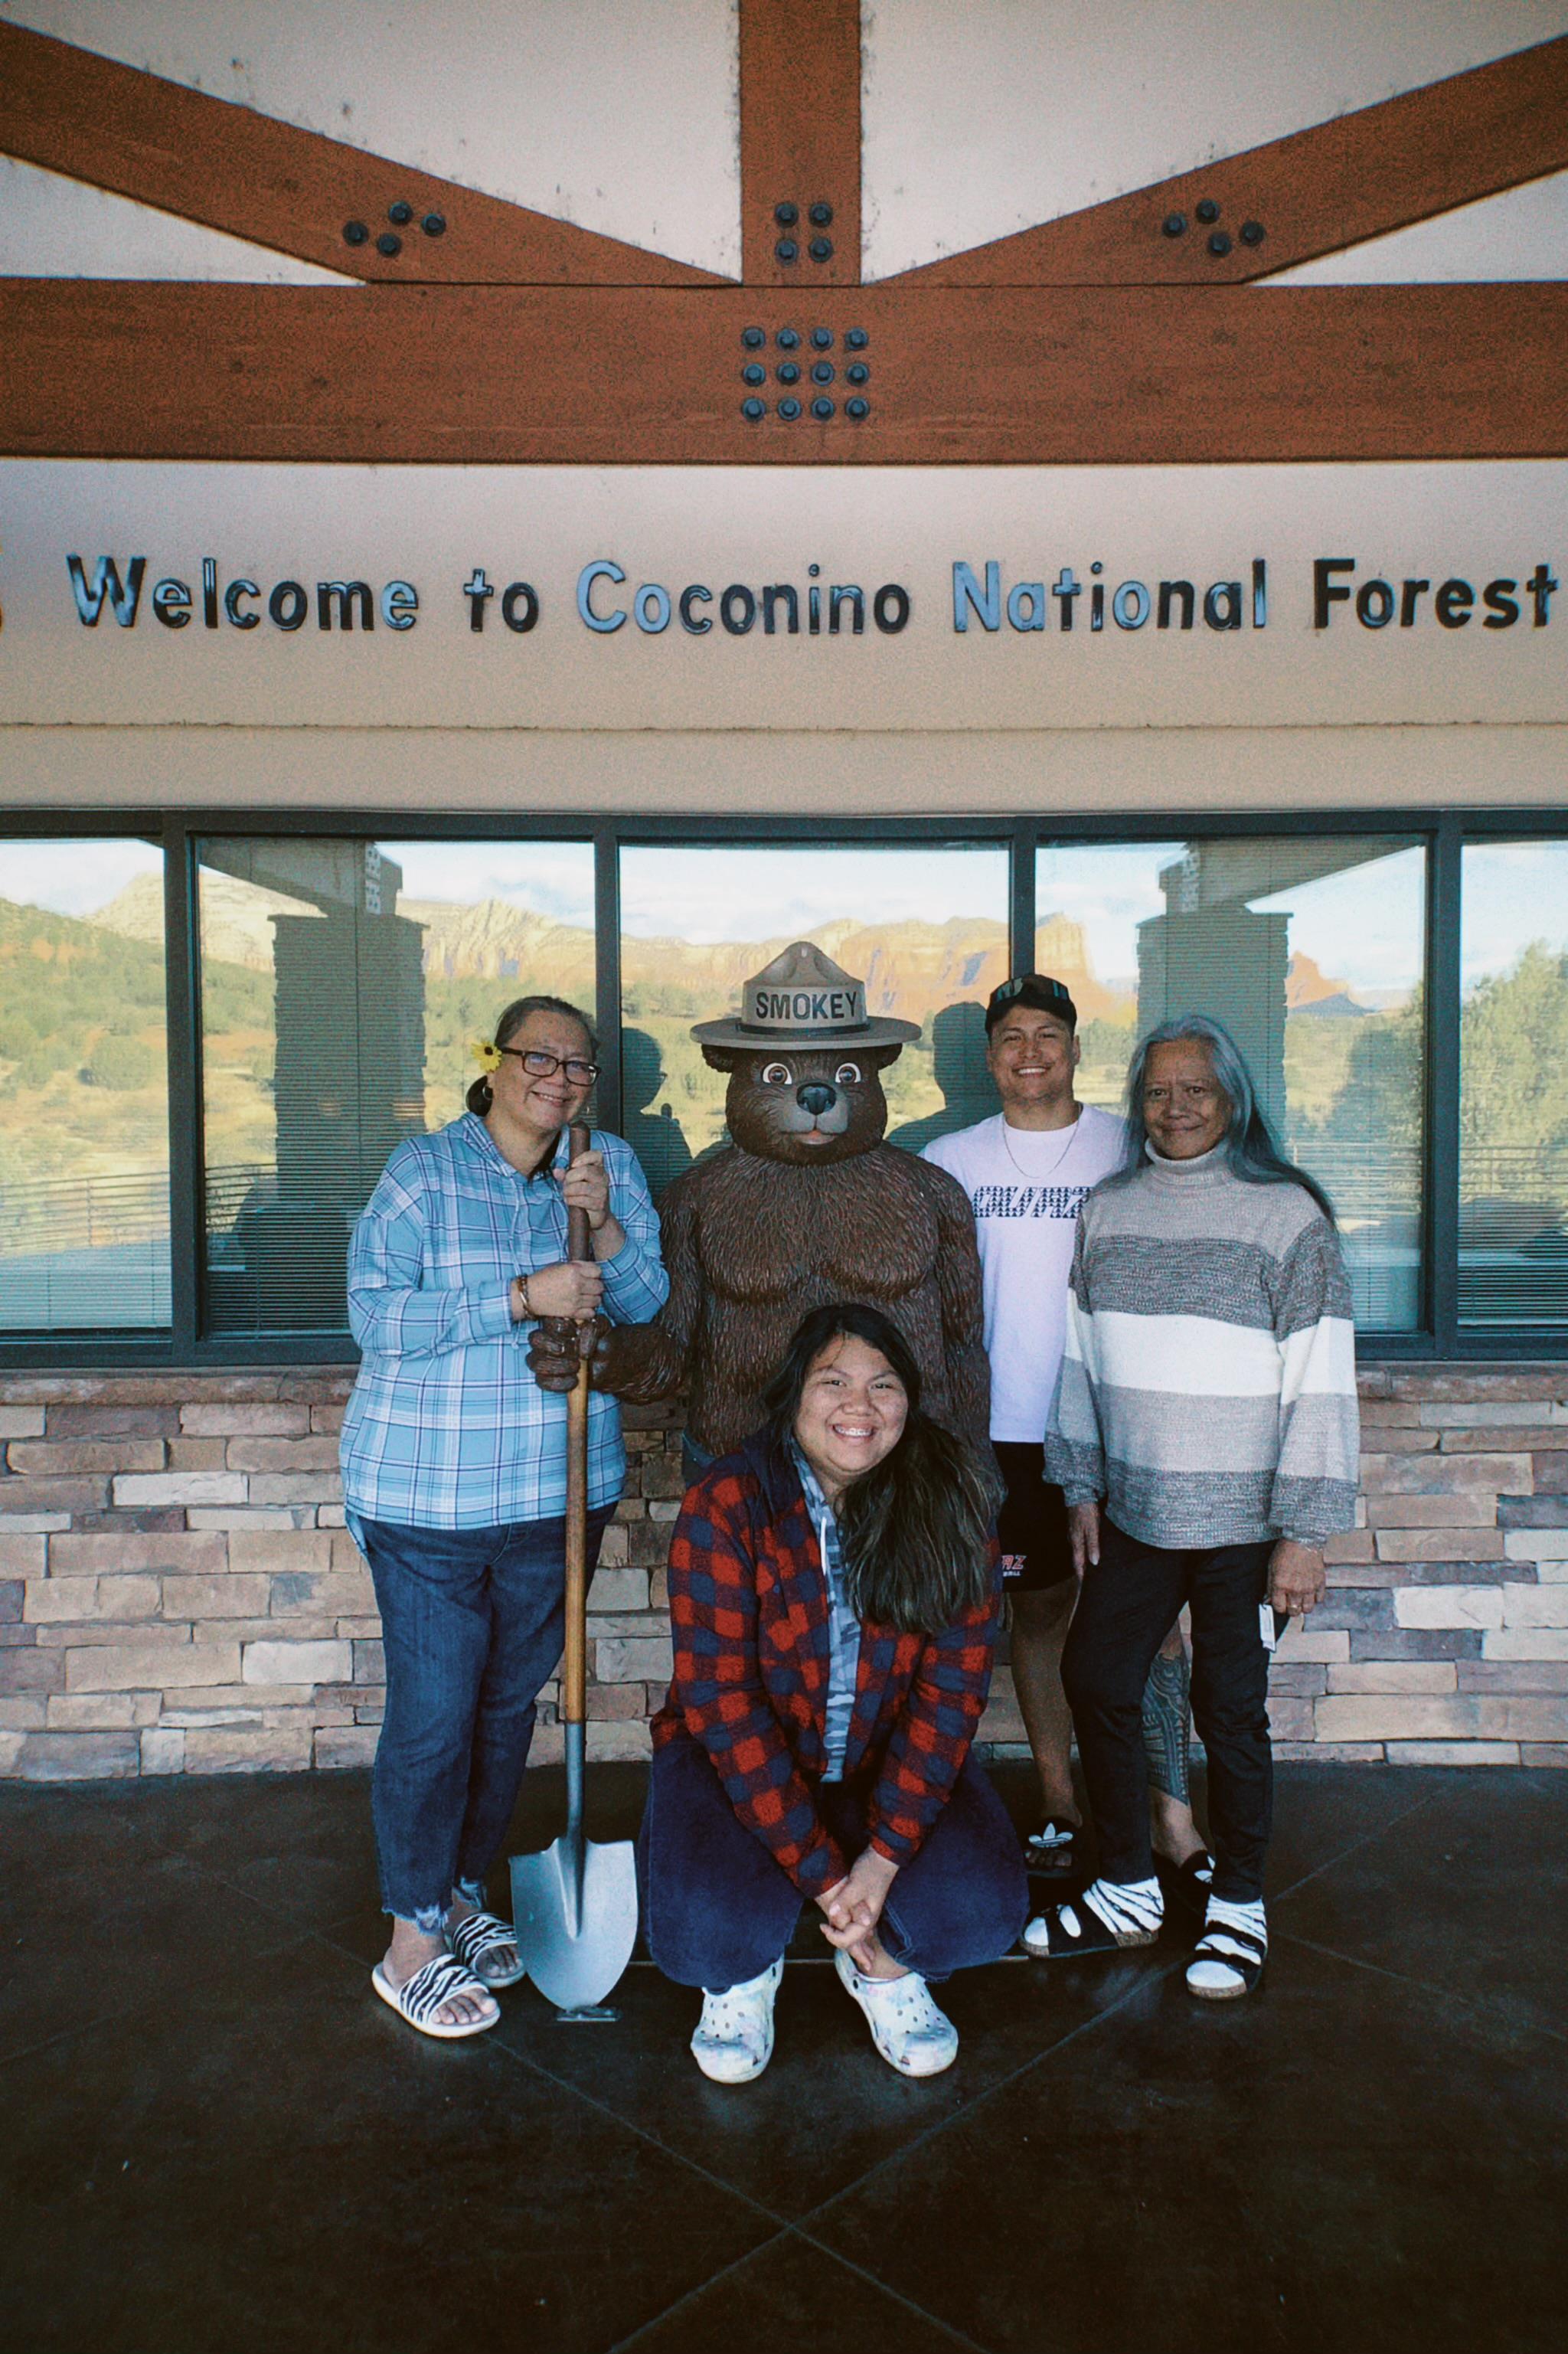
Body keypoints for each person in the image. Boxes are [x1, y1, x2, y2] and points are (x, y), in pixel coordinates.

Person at [341, 993, 668, 2039]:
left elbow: (650, 1297)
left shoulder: (603, 1158)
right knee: (436, 1718)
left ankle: (459, 1893)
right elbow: (374, 1315)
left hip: (555, 1496)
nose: (559, 1078)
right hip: (428, 1498)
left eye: (579, 1065)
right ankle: (408, 1943)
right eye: (540, 1057)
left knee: (499, 1712)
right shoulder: (423, 1172)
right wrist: (520, 1296)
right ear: (498, 1063)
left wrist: (605, 1218)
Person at [1029, 1015, 1359, 1999]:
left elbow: (1320, 1379)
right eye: (1157, 1091)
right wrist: (1080, 1485)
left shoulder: (1286, 1214)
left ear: (1232, 1100)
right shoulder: (1109, 1208)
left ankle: (1239, 1903)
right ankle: (1127, 1882)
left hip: (1245, 1523)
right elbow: (1079, 1357)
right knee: (1095, 1672)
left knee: (1231, 1709)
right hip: (1135, 1511)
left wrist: (1302, 1531)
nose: (1175, 1108)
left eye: (1196, 1091)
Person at [640, 1303, 1027, 2083]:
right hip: (739, 1766)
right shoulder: (727, 1503)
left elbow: (950, 1698)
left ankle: (875, 1961)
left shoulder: (951, 1502)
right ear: (793, 1395)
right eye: (834, 1381)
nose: (860, 1405)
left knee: (978, 1917)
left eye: (883, 1383)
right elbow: (723, 1706)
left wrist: (879, 1863)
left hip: (879, 1759)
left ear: (909, 1401)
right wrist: (824, 1875)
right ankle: (746, 1971)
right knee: (700, 1939)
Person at [922, 973, 1209, 1892]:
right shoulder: (951, 1160)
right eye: (1010, 1035)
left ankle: (1172, 1816)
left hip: (1124, 1424)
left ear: (1077, 1047)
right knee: (1038, 1614)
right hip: (1002, 1431)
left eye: (1048, 1032)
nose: (1030, 1050)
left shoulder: (1127, 1148)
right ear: (989, 1056)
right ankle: (1058, 1802)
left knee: (1158, 1624)